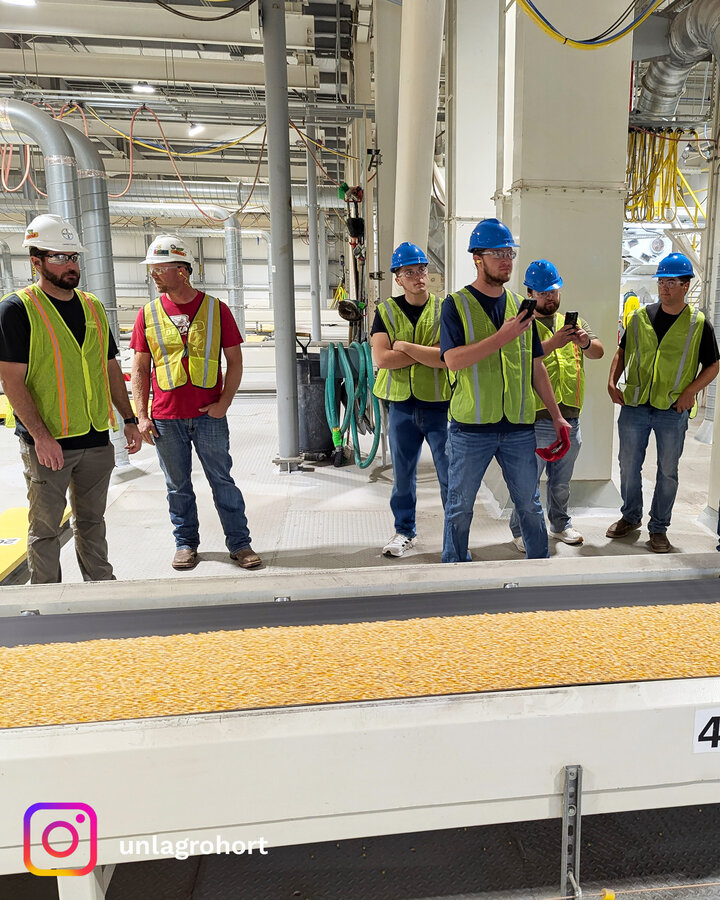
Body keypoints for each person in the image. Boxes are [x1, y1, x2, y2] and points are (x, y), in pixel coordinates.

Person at [0, 214, 141, 584]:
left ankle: (100, 592)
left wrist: (128, 419)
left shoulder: (93, 307)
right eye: (60, 257)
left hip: (95, 437)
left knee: (93, 522)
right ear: (36, 261)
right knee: (46, 529)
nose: (70, 265)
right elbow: (11, 381)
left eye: (74, 257)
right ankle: (46, 601)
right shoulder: (17, 309)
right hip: (49, 444)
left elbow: (110, 366)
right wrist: (42, 437)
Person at [440, 218, 571, 563]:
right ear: (477, 258)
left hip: (517, 428)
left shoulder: (520, 306)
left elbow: (536, 366)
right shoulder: (456, 305)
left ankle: (538, 569)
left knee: (529, 504)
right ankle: (454, 567)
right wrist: (503, 337)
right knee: (460, 506)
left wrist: (557, 416)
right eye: (497, 253)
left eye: (509, 253)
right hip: (471, 428)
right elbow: (453, 361)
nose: (506, 260)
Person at [130, 234, 261, 571]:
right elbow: (140, 368)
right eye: (153, 270)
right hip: (165, 419)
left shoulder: (217, 310)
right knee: (178, 486)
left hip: (208, 417)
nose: (154, 275)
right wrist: (141, 416)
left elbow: (235, 361)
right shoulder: (147, 314)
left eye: (160, 269)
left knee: (223, 481)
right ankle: (185, 544)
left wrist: (224, 403)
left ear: (182, 270)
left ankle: (240, 544)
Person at [607, 252, 719, 552]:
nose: (664, 287)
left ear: (685, 285)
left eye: (671, 282)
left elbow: (713, 365)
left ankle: (659, 528)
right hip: (635, 404)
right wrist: (611, 380)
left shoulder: (698, 325)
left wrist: (690, 391)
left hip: (672, 408)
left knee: (667, 471)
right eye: (661, 281)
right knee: (628, 465)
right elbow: (622, 350)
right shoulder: (640, 317)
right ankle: (630, 517)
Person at [509, 259, 604, 552]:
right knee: (528, 482)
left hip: (570, 417)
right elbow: (522, 361)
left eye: (554, 291)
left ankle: (560, 524)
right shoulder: (520, 324)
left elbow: (598, 353)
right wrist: (556, 343)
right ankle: (521, 529)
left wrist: (585, 341)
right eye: (543, 293)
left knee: (561, 482)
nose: (550, 297)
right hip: (536, 418)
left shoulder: (572, 323)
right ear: (529, 293)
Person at [371, 242, 450, 557]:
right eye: (409, 272)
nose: (418, 276)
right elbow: (382, 359)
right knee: (403, 475)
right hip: (402, 406)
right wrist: (424, 353)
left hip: (440, 405)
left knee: (450, 474)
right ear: (398, 278)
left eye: (421, 270)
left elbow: (447, 358)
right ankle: (404, 532)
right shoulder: (386, 311)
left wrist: (403, 345)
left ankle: (455, 534)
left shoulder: (445, 309)